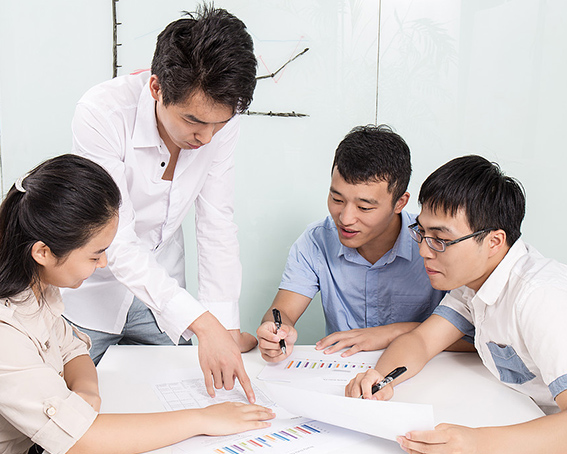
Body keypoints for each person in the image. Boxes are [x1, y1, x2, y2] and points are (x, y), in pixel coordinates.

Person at [0, 155, 274, 454]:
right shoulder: (6, 331)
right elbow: (81, 440)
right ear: (43, 252)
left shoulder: (38, 291)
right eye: (95, 255)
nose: (103, 263)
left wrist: (86, 392)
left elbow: (73, 351)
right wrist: (203, 419)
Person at [62, 4, 259, 401]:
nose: (206, 137)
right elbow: (115, 238)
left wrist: (223, 325)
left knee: (182, 399)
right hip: (91, 290)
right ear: (156, 88)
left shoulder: (219, 118)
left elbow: (216, 222)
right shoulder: (101, 113)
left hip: (162, 293)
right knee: (75, 405)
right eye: (193, 121)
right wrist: (202, 322)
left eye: (218, 124)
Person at [346, 155, 567, 454]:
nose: (424, 250)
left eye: (440, 239)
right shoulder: (474, 280)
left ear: (493, 242)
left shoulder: (540, 298)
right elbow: (422, 341)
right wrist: (381, 378)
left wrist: (476, 443)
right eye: (422, 233)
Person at [257, 125, 447, 362]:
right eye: (337, 199)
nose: (345, 219)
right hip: (343, 371)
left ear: (400, 203)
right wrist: (275, 332)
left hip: (428, 370)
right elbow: (282, 311)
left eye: (364, 207)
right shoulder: (316, 240)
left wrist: (390, 333)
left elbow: (471, 334)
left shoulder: (435, 244)